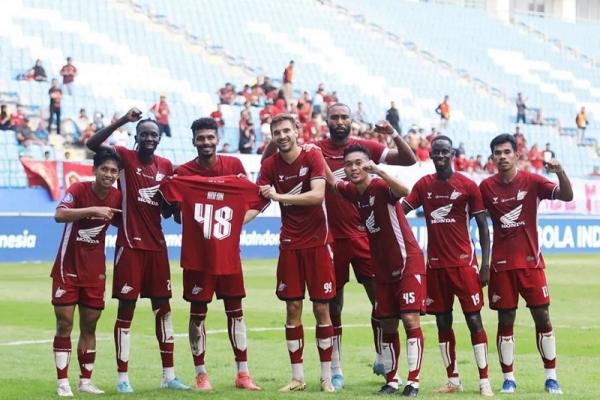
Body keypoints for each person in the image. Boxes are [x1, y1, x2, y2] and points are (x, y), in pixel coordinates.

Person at [260, 103, 416, 389]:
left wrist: (392, 133)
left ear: (351, 120)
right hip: (330, 239)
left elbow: (408, 160)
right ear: (327, 121)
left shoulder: (363, 149)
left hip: (364, 237)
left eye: (345, 117)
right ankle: (335, 368)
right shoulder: (314, 149)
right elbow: (269, 160)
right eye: (335, 117)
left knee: (379, 302)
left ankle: (382, 357)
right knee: (332, 305)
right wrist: (277, 137)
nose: (340, 121)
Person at [86, 108, 189, 392]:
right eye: (144, 134)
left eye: (153, 135)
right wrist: (122, 120)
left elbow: (168, 210)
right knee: (126, 311)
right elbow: (93, 145)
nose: (149, 138)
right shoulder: (124, 157)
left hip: (157, 248)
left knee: (163, 310)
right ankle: (123, 379)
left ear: (159, 138)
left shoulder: (166, 166)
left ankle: (169, 376)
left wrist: (178, 207)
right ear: (137, 136)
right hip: (130, 245)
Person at [161, 117, 264, 391]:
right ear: (193, 141)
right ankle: (201, 374)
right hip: (198, 257)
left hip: (229, 254)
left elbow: (256, 199)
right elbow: (169, 207)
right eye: (201, 138)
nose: (206, 142)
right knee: (197, 314)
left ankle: (243, 373)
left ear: (217, 139)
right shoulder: (183, 173)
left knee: (236, 312)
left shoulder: (234, 166)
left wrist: (234, 224)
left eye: (210, 137)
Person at [326, 144, 425, 396]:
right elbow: (332, 183)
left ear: (368, 164)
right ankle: (392, 380)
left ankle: (413, 381)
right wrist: (315, 156)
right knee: (388, 323)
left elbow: (404, 191)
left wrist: (380, 171)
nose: (353, 168)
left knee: (409, 319)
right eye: (349, 165)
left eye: (359, 163)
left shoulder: (380, 186)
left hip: (407, 261)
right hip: (382, 268)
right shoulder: (353, 192)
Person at [479, 134, 573, 395]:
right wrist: (484, 264)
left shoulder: (532, 181)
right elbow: (475, 219)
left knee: (543, 317)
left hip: (531, 264)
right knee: (505, 320)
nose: (502, 156)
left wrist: (560, 172)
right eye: (497, 153)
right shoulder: (485, 187)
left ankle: (551, 377)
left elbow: (566, 196)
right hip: (501, 266)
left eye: (507, 152)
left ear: (516, 155)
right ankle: (508, 378)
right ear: (492, 157)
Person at [401, 136, 494, 396]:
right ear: (430, 155)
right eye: (436, 152)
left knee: (474, 320)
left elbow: (483, 226)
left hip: (464, 265)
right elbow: (400, 210)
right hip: (436, 267)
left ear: (452, 153)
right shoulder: (424, 185)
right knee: (443, 322)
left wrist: (485, 264)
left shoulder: (467, 185)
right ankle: (453, 380)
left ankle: (484, 380)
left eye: (445, 151)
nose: (440, 155)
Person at [257, 113, 336, 392]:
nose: (282, 136)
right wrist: (234, 223)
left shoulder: (312, 155)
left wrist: (279, 197)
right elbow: (257, 200)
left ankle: (326, 377)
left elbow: (317, 195)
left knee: (321, 308)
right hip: (290, 244)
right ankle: (298, 377)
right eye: (277, 132)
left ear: (297, 130)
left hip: (318, 242)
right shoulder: (270, 165)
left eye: (286, 130)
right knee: (292, 308)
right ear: (272, 136)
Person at [51, 149, 122, 397]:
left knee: (90, 326)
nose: (109, 174)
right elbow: (60, 214)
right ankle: (63, 382)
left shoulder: (117, 196)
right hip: (67, 268)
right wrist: (93, 210)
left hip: (94, 272)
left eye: (113, 171)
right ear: (94, 170)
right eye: (104, 169)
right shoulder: (79, 189)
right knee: (64, 324)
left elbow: (125, 220)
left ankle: (85, 381)